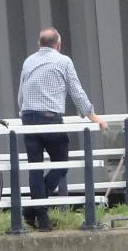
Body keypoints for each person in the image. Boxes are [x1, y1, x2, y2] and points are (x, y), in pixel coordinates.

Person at [17, 27, 107, 231]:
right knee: (61, 164)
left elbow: (21, 96)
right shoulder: (63, 61)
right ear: (58, 45)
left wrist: (24, 113)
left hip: (28, 118)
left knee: (35, 168)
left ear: (39, 44)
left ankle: (39, 217)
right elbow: (76, 92)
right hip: (51, 119)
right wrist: (93, 117)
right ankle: (33, 211)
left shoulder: (28, 62)